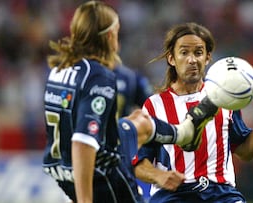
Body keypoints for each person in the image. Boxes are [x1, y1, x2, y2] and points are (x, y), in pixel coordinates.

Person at [42, 2, 218, 203]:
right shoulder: (99, 77)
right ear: (109, 36)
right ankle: (185, 133)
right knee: (137, 124)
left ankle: (183, 133)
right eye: (117, 32)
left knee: (137, 120)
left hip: (61, 167)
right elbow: (83, 142)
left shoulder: (59, 71)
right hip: (101, 173)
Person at [133, 22, 253, 203]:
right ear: (171, 58)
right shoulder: (154, 105)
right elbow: (138, 163)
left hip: (222, 194)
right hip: (174, 195)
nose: (192, 59)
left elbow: (245, 152)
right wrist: (158, 176)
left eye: (198, 52)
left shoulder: (224, 99)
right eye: (184, 52)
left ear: (208, 57)